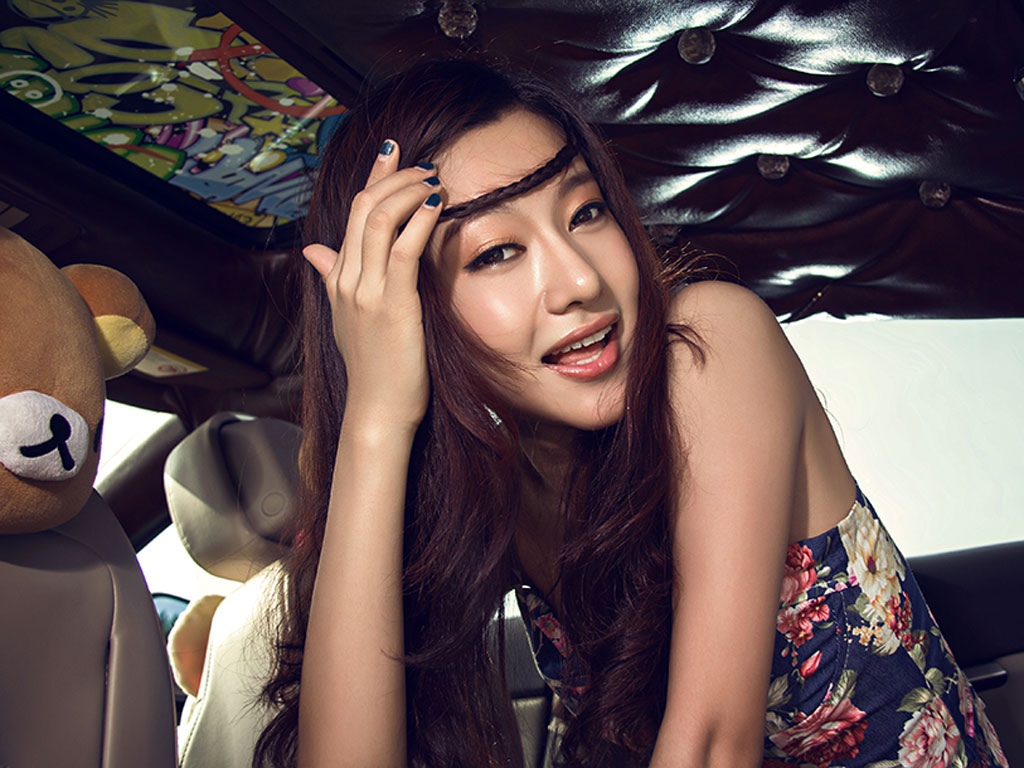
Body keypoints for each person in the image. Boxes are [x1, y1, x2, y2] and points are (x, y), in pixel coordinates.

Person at [255, 59, 1006, 768]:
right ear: (408, 311)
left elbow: (711, 745)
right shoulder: (493, 490)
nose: (580, 280)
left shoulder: (709, 341)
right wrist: (377, 416)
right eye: (496, 253)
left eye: (585, 212)